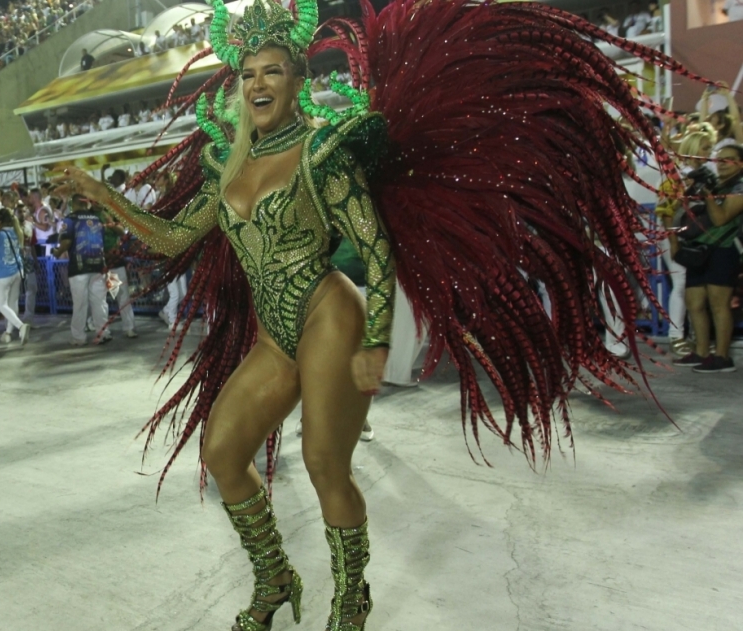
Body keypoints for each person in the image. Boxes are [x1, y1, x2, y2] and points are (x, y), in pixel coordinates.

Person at [54, 0, 694, 628]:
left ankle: (351, 598)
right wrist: (100, 191)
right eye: (248, 73)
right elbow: (169, 238)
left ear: (298, 80)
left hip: (330, 315)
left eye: (272, 71)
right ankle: (277, 577)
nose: (257, 83)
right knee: (223, 451)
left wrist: (377, 339)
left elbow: (374, 247)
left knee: (324, 463)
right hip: (275, 334)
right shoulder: (227, 163)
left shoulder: (320, 153)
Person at [676, 144, 743, 373]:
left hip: (724, 249)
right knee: (694, 302)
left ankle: (722, 357)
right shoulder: (717, 183)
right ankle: (701, 352)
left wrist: (709, 195)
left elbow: (721, 218)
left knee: (719, 304)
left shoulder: (740, 186)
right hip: (700, 250)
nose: (723, 163)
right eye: (720, 159)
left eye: (730, 159)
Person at [656, 125, 717, 356]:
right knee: (682, 285)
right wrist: (673, 243)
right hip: (675, 238)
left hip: (696, 240)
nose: (709, 151)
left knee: (696, 287)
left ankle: (695, 337)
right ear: (692, 149)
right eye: (705, 147)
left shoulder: (706, 177)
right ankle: (675, 336)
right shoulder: (675, 178)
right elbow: (666, 212)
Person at [53, 197, 110, 346]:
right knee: (99, 302)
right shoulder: (97, 219)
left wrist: (58, 253)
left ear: (73, 204)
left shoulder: (70, 219)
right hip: (98, 264)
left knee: (80, 304)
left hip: (78, 267)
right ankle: (103, 333)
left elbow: (66, 241)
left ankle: (79, 337)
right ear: (87, 203)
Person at [0, 208, 31, 345]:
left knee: (1, 304)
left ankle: (21, 326)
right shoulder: (17, 232)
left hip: (3, 273)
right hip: (17, 271)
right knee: (13, 303)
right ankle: (8, 333)